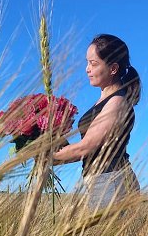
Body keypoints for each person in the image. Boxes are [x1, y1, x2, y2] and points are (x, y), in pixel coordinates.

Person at [53, 34, 141, 210]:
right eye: (87, 63)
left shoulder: (117, 102)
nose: (87, 69)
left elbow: (85, 148)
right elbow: (85, 152)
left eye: (93, 63)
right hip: (102, 181)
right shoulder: (104, 101)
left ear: (113, 68)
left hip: (112, 181)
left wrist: (44, 156)